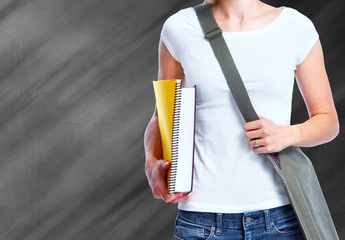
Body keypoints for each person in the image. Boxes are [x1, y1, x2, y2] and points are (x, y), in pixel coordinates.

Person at [144, 0, 339, 238]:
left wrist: (288, 134)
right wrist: (151, 160)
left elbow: (327, 120)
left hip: (280, 219)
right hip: (201, 219)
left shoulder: (295, 27)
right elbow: (162, 114)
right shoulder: (179, 28)